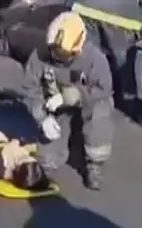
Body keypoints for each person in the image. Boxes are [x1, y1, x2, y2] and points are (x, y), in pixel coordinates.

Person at [22, 12, 113, 191]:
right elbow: (30, 90)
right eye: (54, 50)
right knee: (47, 160)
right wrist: (42, 118)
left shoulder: (94, 58)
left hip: (88, 105)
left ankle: (95, 164)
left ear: (78, 46)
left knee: (101, 110)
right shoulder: (39, 56)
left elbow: (104, 89)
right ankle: (69, 139)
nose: (56, 56)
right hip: (59, 111)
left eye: (62, 53)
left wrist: (76, 95)